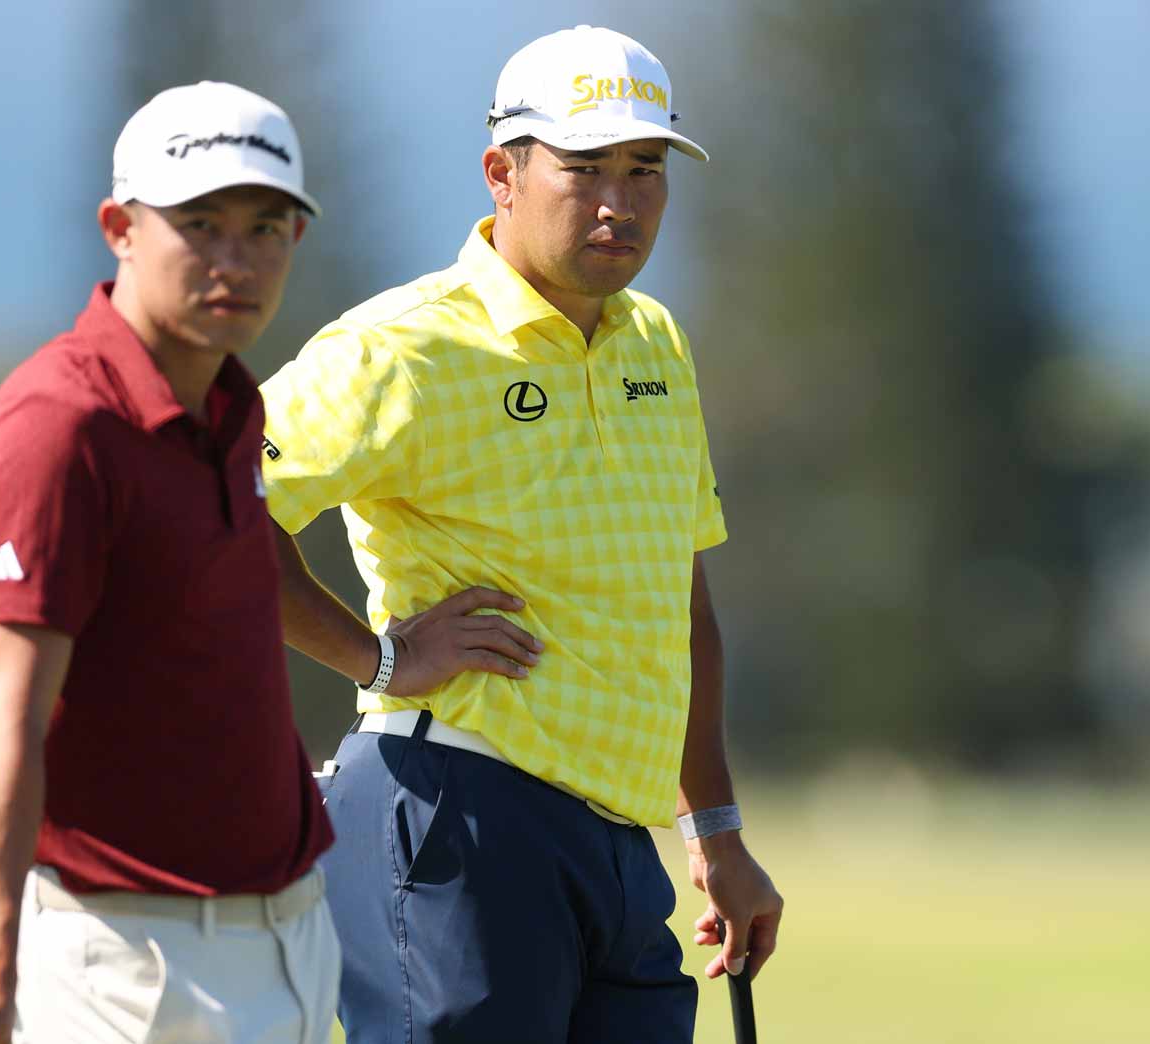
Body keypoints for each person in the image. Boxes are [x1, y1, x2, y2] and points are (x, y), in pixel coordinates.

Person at [257, 25, 784, 1043]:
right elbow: (211, 509)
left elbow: (677, 604)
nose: (618, 202)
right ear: (502, 172)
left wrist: (711, 831)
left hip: (617, 850)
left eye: (644, 170)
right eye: (583, 169)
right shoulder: (403, 346)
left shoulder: (656, 345)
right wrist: (371, 656)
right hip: (452, 816)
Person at [0, 81, 341, 1044]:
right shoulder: (58, 429)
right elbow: (3, 712)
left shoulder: (233, 404)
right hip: (123, 970)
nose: (236, 260)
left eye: (266, 227)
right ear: (121, 228)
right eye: (201, 224)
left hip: (290, 945)